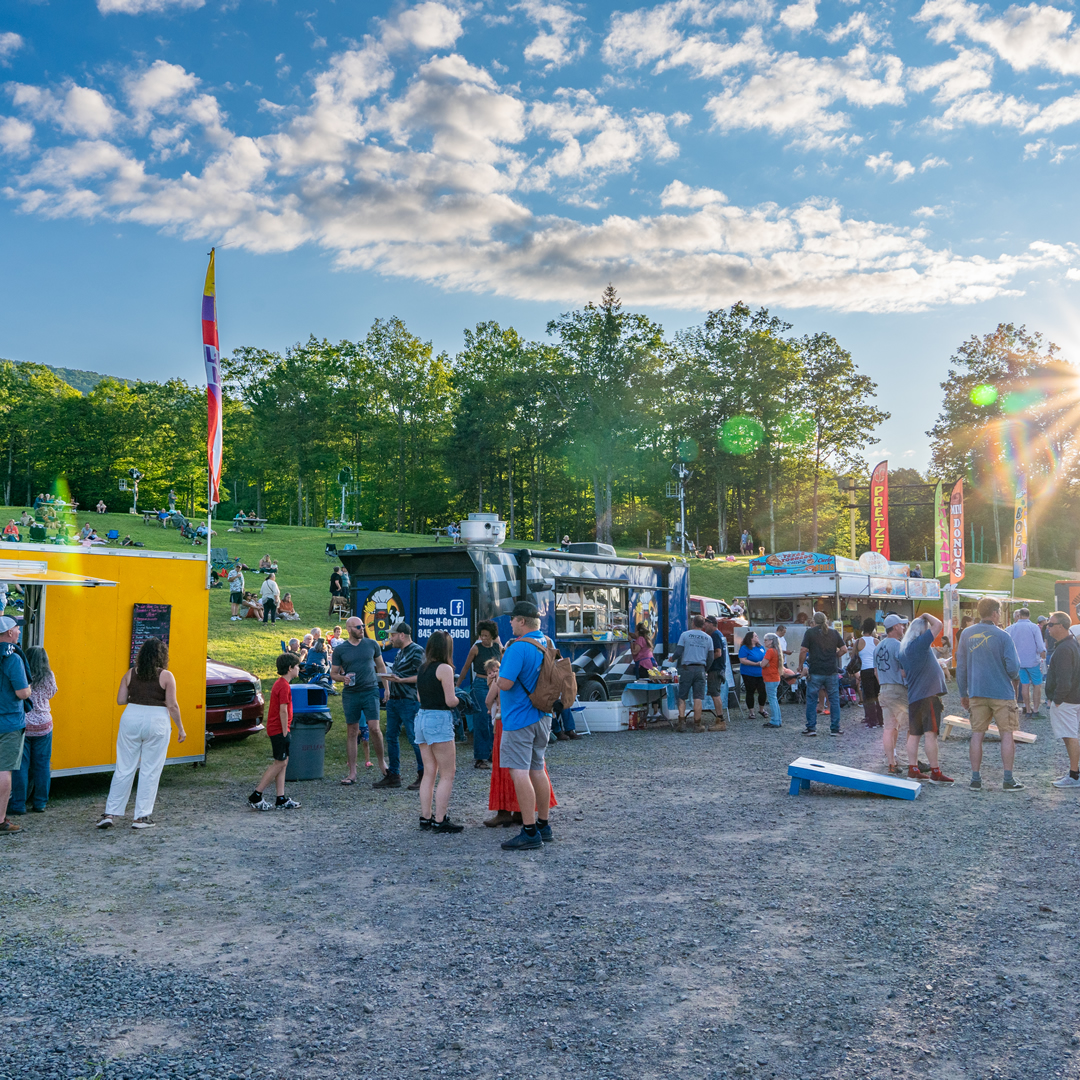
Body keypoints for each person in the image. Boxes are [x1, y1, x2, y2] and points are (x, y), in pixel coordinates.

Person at [96, 637, 186, 829]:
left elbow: (121, 700)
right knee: (150, 769)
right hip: (157, 720)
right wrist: (181, 728)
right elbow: (172, 705)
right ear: (162, 656)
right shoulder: (167, 676)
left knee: (124, 767)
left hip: (131, 717)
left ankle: (109, 813)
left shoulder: (130, 673)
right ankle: (140, 817)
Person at [494, 600, 561, 850]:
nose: (510, 622)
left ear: (522, 621)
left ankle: (529, 830)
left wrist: (496, 678)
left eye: (512, 619)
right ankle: (544, 825)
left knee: (519, 771)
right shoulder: (547, 643)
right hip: (543, 715)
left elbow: (507, 683)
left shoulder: (517, 647)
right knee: (537, 768)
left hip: (520, 719)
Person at [956, 596, 1024, 791]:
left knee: (977, 734)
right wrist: (1013, 676)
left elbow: (961, 667)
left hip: (976, 692)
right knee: (1007, 734)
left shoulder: (967, 634)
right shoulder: (1003, 636)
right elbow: (1013, 667)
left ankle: (975, 779)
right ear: (995, 613)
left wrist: (963, 692)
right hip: (1002, 692)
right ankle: (1008, 778)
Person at [414, 630, 464, 833]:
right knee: (447, 773)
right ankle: (440, 819)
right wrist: (462, 698)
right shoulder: (445, 668)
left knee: (429, 771)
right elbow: (450, 700)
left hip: (422, 718)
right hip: (439, 719)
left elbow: (419, 698)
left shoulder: (422, 668)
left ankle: (426, 817)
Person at [331, 616, 387, 784]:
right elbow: (333, 674)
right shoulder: (341, 650)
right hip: (351, 693)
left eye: (362, 626)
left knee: (374, 728)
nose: (362, 628)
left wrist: (387, 689)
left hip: (370, 690)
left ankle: (382, 763)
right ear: (348, 629)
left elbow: (381, 666)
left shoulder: (372, 644)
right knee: (352, 731)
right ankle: (352, 772)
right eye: (358, 627)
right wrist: (343, 678)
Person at [898, 613, 953, 784]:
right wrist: (925, 616)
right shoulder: (919, 644)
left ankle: (913, 769)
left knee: (914, 734)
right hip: (928, 696)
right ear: (922, 631)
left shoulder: (903, 650)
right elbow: (938, 625)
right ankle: (935, 772)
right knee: (931, 734)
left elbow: (904, 673)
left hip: (914, 696)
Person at [247, 652, 302, 811]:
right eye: (297, 666)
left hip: (277, 728)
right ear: (290, 668)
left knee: (283, 763)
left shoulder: (280, 684)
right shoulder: (283, 686)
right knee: (280, 762)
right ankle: (256, 795)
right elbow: (283, 710)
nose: (299, 669)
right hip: (279, 729)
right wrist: (285, 732)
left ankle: (281, 798)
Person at [375, 622, 425, 791]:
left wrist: (401, 680)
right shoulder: (400, 652)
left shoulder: (417, 651)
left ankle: (423, 774)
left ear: (402, 635)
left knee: (414, 738)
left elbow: (422, 676)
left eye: (393, 635)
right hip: (395, 700)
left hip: (409, 701)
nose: (391, 638)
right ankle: (394, 775)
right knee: (391, 737)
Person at [8, 646, 56, 815]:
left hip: (24, 723)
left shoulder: (22, 673)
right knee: (42, 765)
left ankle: (18, 804)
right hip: (44, 724)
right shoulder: (49, 675)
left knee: (21, 765)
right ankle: (40, 803)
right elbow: (52, 693)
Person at [0, 617, 31, 834]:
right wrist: (29, 689)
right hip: (9, 722)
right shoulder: (13, 658)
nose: (19, 632)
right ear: (9, 633)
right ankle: (0, 820)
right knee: (4, 771)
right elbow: (22, 692)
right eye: (17, 629)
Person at [457, 620, 500, 769]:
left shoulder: (498, 648)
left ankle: (491, 752)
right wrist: (457, 687)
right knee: (481, 719)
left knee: (493, 720)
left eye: (487, 636)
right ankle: (480, 757)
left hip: (495, 684)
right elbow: (466, 668)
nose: (484, 638)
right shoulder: (476, 648)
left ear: (493, 635)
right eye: (482, 635)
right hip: (481, 683)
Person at [1045, 612, 1080, 788]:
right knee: (1070, 736)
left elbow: (1064, 679)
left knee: (1070, 736)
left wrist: (1056, 699)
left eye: (1050, 624)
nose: (1048, 627)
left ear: (1061, 626)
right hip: (1071, 698)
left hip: (1066, 700)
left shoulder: (1065, 648)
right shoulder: (1070, 644)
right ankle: (1074, 773)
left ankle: (1074, 775)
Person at [874, 614, 912, 775]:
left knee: (889, 728)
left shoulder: (878, 647)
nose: (903, 628)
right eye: (902, 625)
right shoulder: (898, 646)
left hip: (883, 689)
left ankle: (891, 762)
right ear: (895, 627)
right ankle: (913, 762)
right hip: (898, 690)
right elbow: (904, 672)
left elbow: (876, 672)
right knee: (912, 727)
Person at [799, 612, 846, 736]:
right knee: (834, 700)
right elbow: (844, 649)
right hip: (831, 670)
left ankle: (811, 728)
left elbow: (803, 650)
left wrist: (800, 665)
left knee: (812, 699)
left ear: (814, 621)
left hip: (815, 670)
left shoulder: (810, 633)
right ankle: (835, 728)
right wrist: (834, 656)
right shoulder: (834, 633)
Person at [672, 615, 712, 733]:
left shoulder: (685, 635)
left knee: (682, 696)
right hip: (700, 669)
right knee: (698, 698)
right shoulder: (708, 638)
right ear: (703, 625)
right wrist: (705, 669)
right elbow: (711, 657)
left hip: (686, 669)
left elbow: (678, 652)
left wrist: (672, 658)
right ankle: (697, 724)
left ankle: (681, 723)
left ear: (693, 623)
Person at [1006, 607, 1046, 718]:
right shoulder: (1033, 627)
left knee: (1024, 685)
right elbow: (1040, 645)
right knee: (1037, 685)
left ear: (1019, 616)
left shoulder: (1010, 628)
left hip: (1019, 662)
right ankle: (1036, 710)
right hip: (1033, 661)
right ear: (1029, 615)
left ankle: (1027, 709)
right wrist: (1042, 654)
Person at [854, 617, 882, 726]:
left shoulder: (858, 642)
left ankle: (872, 720)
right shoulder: (877, 641)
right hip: (876, 670)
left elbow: (854, 657)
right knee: (878, 695)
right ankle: (881, 720)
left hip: (865, 670)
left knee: (869, 696)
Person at [703, 615, 729, 731]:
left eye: (706, 623)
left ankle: (720, 720)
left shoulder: (715, 635)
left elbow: (718, 653)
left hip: (715, 668)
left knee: (715, 694)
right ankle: (720, 719)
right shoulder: (719, 634)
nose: (704, 626)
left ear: (712, 623)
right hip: (719, 668)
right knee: (715, 693)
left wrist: (706, 661)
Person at [739, 631, 768, 718]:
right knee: (750, 691)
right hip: (748, 673)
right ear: (751, 638)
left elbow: (765, 657)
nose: (757, 637)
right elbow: (742, 660)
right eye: (755, 636)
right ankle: (751, 711)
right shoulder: (744, 648)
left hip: (761, 673)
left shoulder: (761, 647)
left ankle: (761, 709)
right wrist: (755, 664)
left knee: (762, 691)